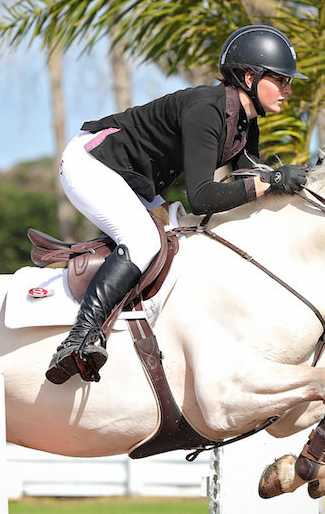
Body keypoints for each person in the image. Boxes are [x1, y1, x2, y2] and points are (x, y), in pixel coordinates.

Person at [45, 24, 309, 385]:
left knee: (184, 242)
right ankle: (80, 337)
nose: (288, 90)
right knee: (141, 241)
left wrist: (298, 181)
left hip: (133, 181)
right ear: (250, 76)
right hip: (92, 163)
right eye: (281, 80)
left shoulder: (246, 125)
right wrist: (272, 181)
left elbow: (248, 190)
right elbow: (202, 196)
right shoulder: (207, 109)